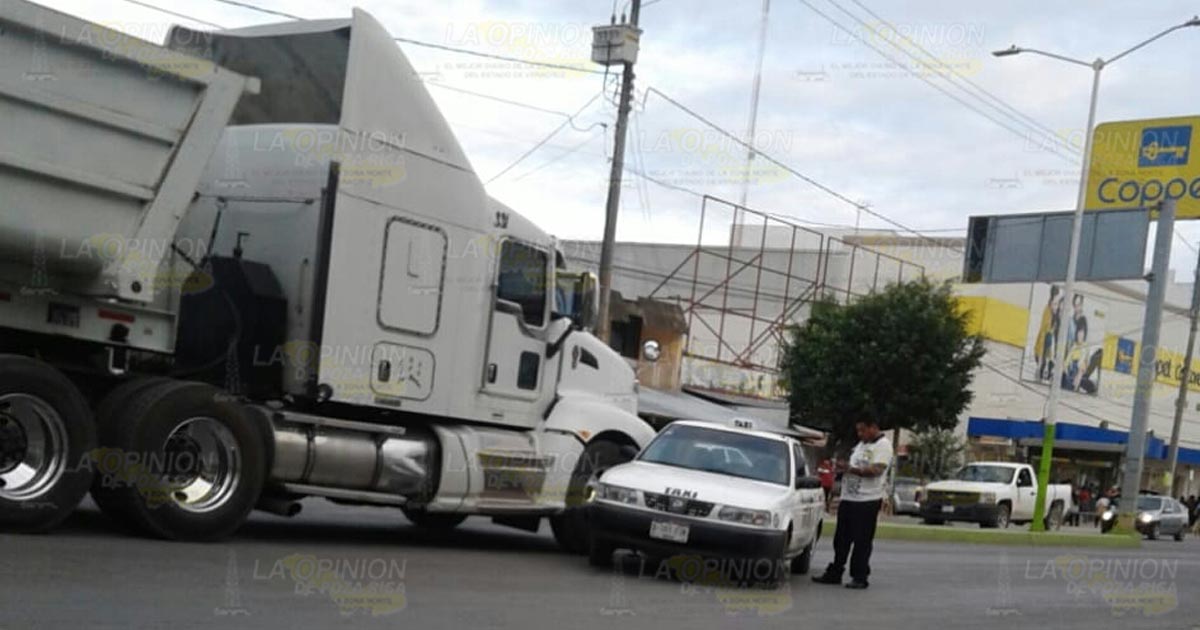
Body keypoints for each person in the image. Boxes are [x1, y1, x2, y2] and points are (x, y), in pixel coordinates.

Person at [812, 419, 894, 590]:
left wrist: (850, 469)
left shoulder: (883, 445)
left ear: (873, 427)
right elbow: (853, 463)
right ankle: (836, 571)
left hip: (867, 500)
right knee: (841, 538)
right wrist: (841, 468)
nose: (860, 434)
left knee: (861, 540)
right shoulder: (861, 445)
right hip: (849, 497)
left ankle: (859, 576)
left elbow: (876, 470)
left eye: (863, 430)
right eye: (858, 431)